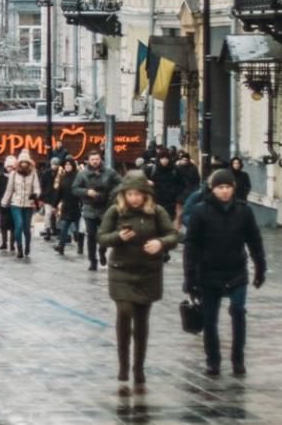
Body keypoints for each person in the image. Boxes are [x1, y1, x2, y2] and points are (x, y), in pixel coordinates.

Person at [183, 169, 266, 377]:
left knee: (238, 312)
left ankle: (238, 359)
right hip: (209, 272)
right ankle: (213, 361)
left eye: (228, 187)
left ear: (233, 188)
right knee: (210, 319)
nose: (225, 191)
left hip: (237, 271)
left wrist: (260, 267)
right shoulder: (201, 212)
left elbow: (254, 240)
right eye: (221, 187)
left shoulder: (243, 211)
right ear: (213, 188)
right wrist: (190, 276)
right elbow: (191, 245)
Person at [98, 172, 179, 384]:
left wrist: (161, 243)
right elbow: (101, 237)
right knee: (125, 312)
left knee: (142, 320)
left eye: (138, 194)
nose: (134, 198)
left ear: (146, 194)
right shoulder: (116, 211)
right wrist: (118, 237)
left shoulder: (156, 212)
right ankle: (123, 365)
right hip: (121, 271)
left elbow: (173, 235)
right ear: (124, 195)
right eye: (130, 194)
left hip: (148, 272)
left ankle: (138, 366)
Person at [73, 150, 122, 271]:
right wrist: (86, 192)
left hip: (105, 208)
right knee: (91, 235)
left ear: (100, 159)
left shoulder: (109, 172)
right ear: (88, 161)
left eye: (97, 159)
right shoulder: (82, 174)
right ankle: (92, 261)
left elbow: (120, 182)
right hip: (89, 208)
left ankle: (102, 251)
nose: (95, 161)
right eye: (92, 159)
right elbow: (74, 188)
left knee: (104, 234)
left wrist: (112, 193)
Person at [0, 150, 40, 259]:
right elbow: (9, 190)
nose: (23, 164)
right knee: (19, 224)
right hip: (15, 204)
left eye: (25, 162)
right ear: (19, 163)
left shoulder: (33, 174)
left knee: (26, 228)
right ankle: (19, 248)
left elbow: (37, 188)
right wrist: (4, 203)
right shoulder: (13, 174)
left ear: (28, 163)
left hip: (28, 204)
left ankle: (27, 245)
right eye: (21, 162)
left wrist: (35, 194)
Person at [149, 151, 186, 226]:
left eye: (166, 158)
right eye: (162, 158)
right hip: (156, 201)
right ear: (159, 159)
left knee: (169, 224)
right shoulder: (153, 169)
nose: (164, 160)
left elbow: (182, 185)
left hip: (171, 203)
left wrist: (179, 199)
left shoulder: (175, 170)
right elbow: (142, 179)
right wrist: (148, 182)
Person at [54, 158, 81, 255]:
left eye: (69, 165)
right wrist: (55, 204)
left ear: (73, 166)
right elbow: (59, 193)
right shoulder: (63, 177)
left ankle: (80, 246)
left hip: (76, 205)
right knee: (64, 227)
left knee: (79, 229)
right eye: (66, 165)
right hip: (66, 206)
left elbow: (81, 191)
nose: (67, 166)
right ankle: (61, 247)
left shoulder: (78, 177)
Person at [0, 155, 17, 252]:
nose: (9, 168)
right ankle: (4, 242)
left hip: (14, 203)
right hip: (3, 203)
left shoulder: (17, 176)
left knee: (13, 225)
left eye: (11, 167)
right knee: (3, 225)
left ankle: (12, 244)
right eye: (8, 166)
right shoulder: (1, 176)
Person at [39, 157, 60, 241]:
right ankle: (48, 230)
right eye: (53, 164)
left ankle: (54, 228)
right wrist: (42, 196)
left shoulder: (60, 173)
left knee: (56, 214)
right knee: (48, 214)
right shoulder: (46, 174)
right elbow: (43, 186)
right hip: (48, 196)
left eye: (56, 164)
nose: (54, 166)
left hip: (58, 196)